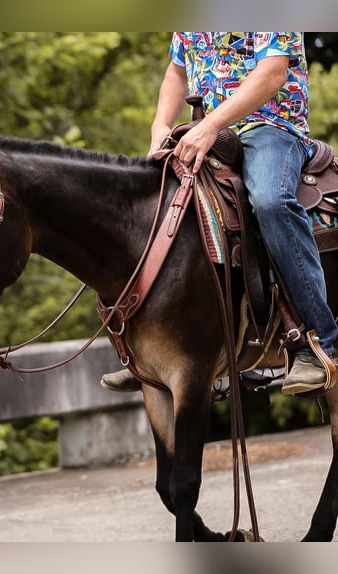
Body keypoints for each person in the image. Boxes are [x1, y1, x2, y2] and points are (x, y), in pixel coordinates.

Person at [100, 32, 338, 396]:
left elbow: (273, 72)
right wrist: (160, 127)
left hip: (269, 129)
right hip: (204, 131)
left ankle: (319, 341)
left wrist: (210, 126)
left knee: (271, 202)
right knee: (145, 207)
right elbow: (177, 72)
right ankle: (151, 349)